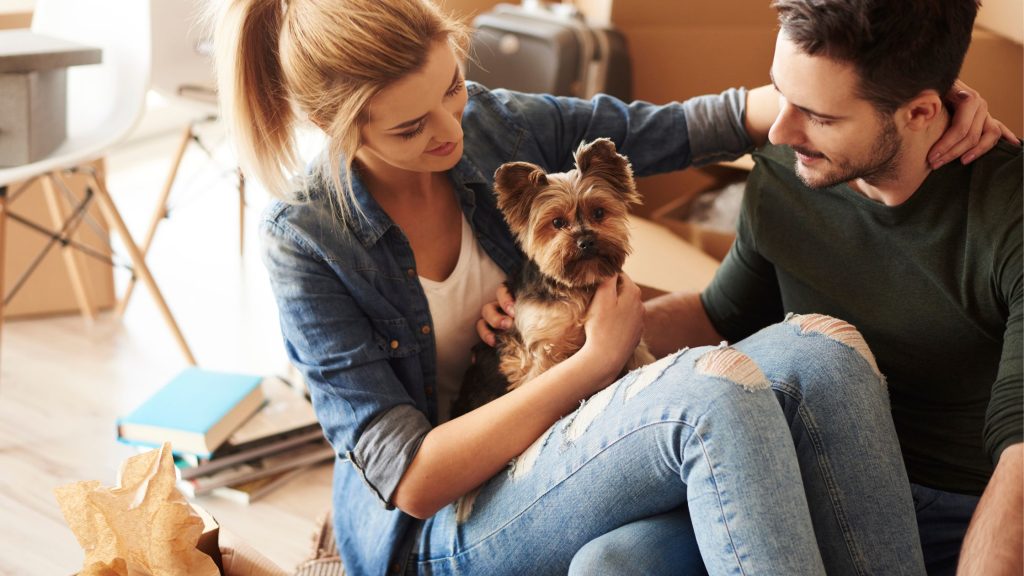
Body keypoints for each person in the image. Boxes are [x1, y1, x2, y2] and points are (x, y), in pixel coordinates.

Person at [209, 0, 1010, 574]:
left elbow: (694, 124)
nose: (451, 131)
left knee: (825, 350)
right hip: (452, 522)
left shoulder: (492, 124)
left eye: (451, 89)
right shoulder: (308, 244)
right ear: (344, 130)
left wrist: (922, 106)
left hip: (580, 436)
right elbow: (413, 481)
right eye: (411, 128)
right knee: (714, 395)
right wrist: (593, 361)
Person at [484, 0, 1019, 574]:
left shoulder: (1006, 212)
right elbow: (722, 312)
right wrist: (562, 326)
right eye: (780, 94)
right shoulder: (790, 166)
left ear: (920, 112)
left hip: (951, 510)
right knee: (611, 563)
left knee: (815, 354)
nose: (780, 129)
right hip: (791, 469)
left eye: (820, 116)